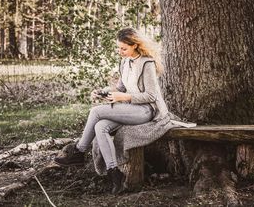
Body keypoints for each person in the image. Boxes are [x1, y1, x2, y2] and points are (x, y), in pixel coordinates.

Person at [54, 27, 169, 194]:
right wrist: (103, 92)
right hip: (130, 109)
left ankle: (79, 151)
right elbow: (121, 88)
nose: (120, 51)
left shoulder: (147, 63)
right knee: (100, 127)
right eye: (118, 48)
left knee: (96, 112)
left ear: (135, 45)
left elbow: (151, 95)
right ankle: (115, 174)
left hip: (146, 110)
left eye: (124, 48)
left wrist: (124, 98)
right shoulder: (125, 62)